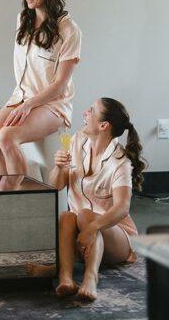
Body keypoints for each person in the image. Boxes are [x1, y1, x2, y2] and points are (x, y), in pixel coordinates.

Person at [32, 97, 145, 301]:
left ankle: (90, 278)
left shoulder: (120, 162)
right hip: (82, 231)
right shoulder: (76, 141)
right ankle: (65, 277)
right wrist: (59, 167)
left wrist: (91, 228)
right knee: (67, 216)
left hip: (117, 238)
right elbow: (56, 186)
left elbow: (122, 208)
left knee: (84, 215)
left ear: (103, 125)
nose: (85, 113)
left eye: (91, 110)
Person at [0, 0, 82, 176]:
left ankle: (21, 203)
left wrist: (28, 106)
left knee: (6, 136)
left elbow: (60, 85)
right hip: (20, 97)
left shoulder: (69, 30)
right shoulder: (23, 19)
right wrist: (23, 103)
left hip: (53, 105)